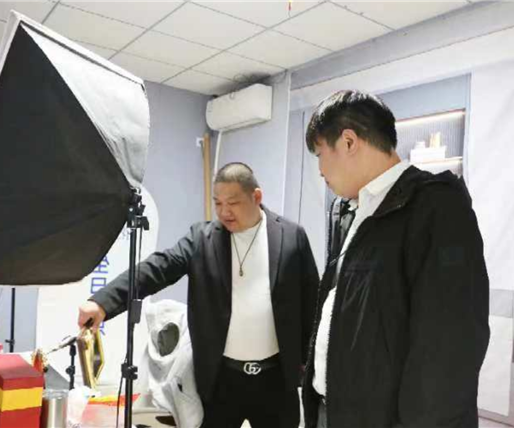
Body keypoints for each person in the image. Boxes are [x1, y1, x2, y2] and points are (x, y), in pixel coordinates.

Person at [78, 162, 320, 428]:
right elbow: (158, 268)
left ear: (256, 197)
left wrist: (309, 366)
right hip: (221, 380)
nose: (224, 212)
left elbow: (311, 302)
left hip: (276, 381)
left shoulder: (291, 237)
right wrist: (103, 302)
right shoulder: (202, 239)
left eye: (233, 203)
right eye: (218, 203)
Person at [301, 90, 490, 428]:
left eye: (319, 154)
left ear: (348, 142)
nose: (320, 170)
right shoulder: (349, 211)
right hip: (333, 411)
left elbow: (448, 351)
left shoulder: (436, 208)